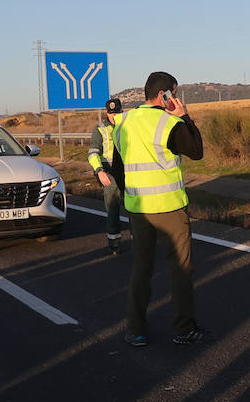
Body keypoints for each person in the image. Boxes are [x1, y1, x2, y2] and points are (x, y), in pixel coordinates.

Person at [111, 72, 213, 346]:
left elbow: (117, 169)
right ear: (164, 96)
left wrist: (130, 195)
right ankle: (183, 329)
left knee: (141, 269)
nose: (176, 99)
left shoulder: (124, 123)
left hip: (138, 208)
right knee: (180, 269)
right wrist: (185, 117)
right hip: (170, 208)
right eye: (174, 94)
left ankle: (136, 330)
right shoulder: (169, 123)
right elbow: (197, 151)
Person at [88, 97, 125, 254]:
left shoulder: (129, 126)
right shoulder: (100, 129)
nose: (114, 116)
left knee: (136, 211)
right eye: (111, 113)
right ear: (106, 113)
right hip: (110, 175)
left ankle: (139, 242)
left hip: (130, 173)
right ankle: (114, 244)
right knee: (113, 211)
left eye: (116, 112)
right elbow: (93, 153)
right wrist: (99, 171)